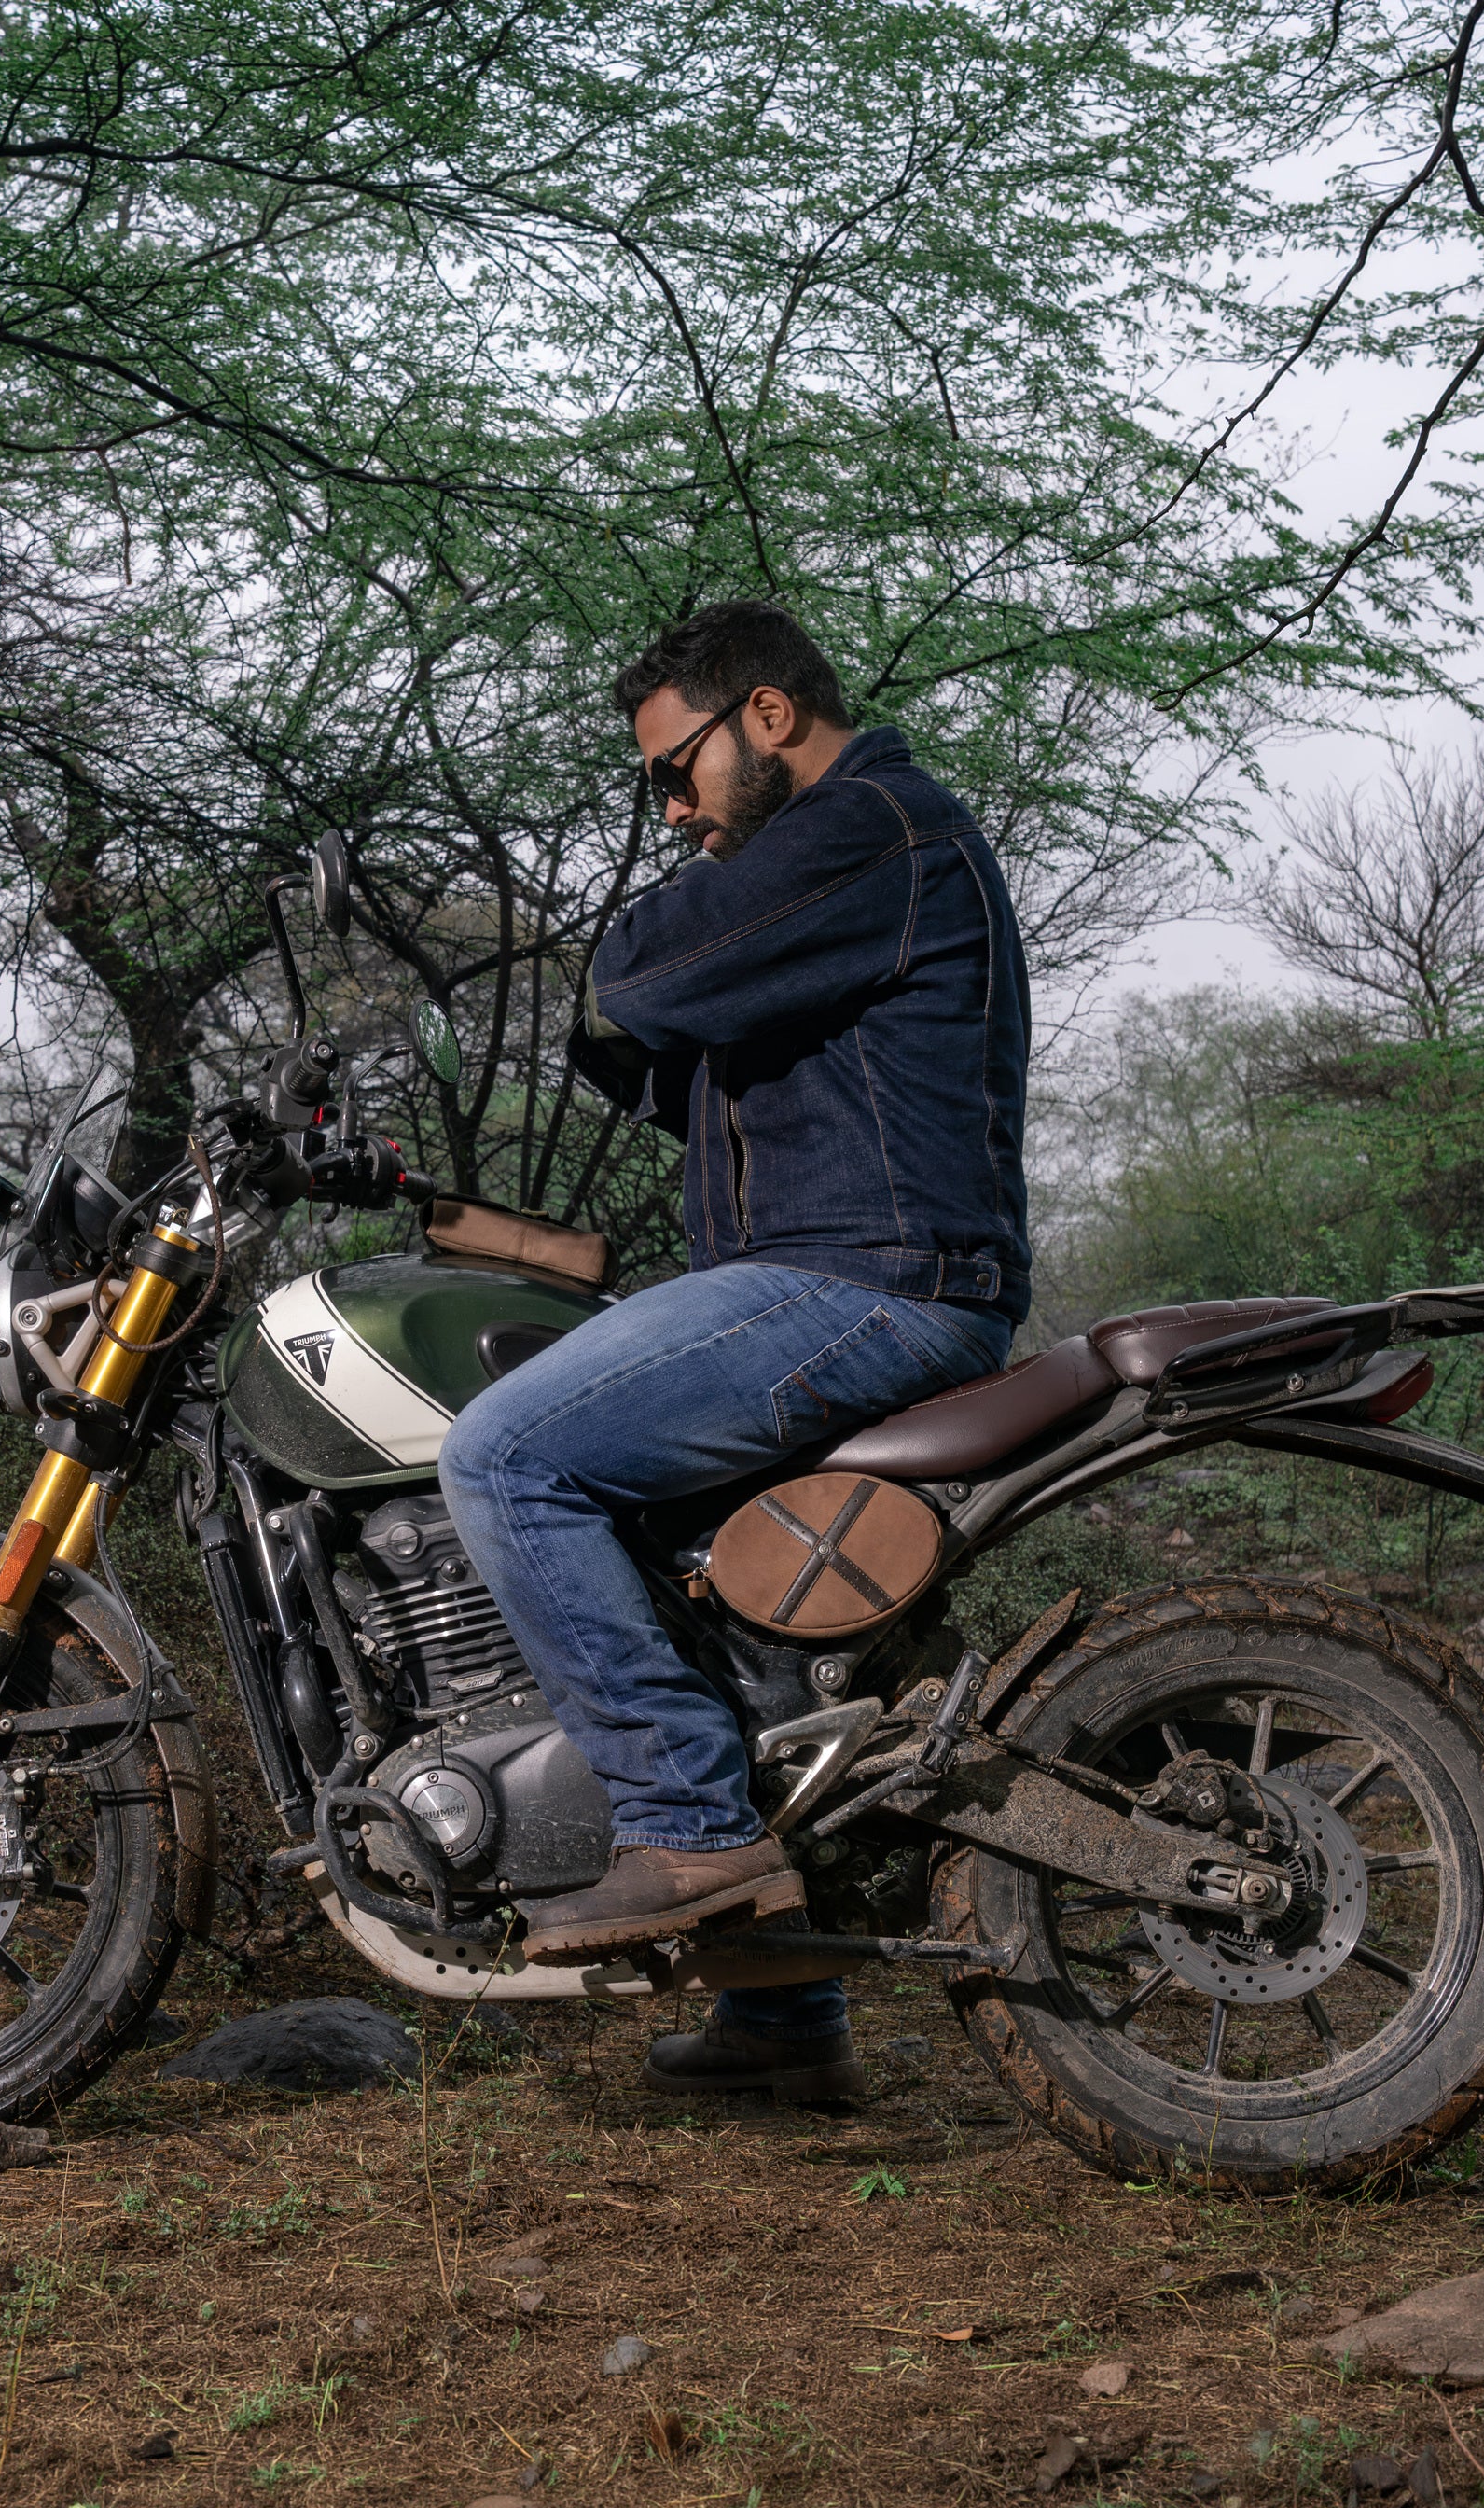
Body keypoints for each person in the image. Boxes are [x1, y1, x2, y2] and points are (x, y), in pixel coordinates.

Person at [438, 600, 1031, 2104]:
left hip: (870, 1281)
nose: (670, 807)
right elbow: (660, 1041)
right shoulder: (845, 860)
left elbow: (636, 980)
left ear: (767, 716)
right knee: (719, 1605)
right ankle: (781, 2018)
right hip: (849, 1272)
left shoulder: (868, 825)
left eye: (674, 769)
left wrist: (652, 950)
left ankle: (688, 1830)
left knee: (505, 1455)